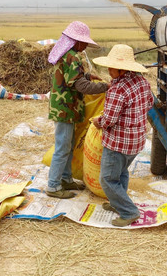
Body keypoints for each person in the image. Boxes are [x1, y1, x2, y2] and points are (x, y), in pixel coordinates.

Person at [91, 44, 153, 227]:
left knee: (107, 179)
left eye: (111, 67)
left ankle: (129, 211)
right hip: (137, 141)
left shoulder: (118, 89)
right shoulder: (142, 81)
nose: (108, 71)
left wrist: (98, 122)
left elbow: (109, 119)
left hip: (118, 143)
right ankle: (118, 203)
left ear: (121, 68)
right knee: (121, 172)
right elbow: (149, 103)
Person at [46, 21, 110, 199]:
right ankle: (53, 186)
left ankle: (66, 179)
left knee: (68, 145)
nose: (86, 46)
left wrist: (90, 75)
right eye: (84, 42)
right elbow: (80, 85)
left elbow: (71, 77)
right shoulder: (72, 57)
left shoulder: (66, 55)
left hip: (66, 109)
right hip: (65, 109)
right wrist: (104, 86)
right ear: (75, 41)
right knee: (62, 147)